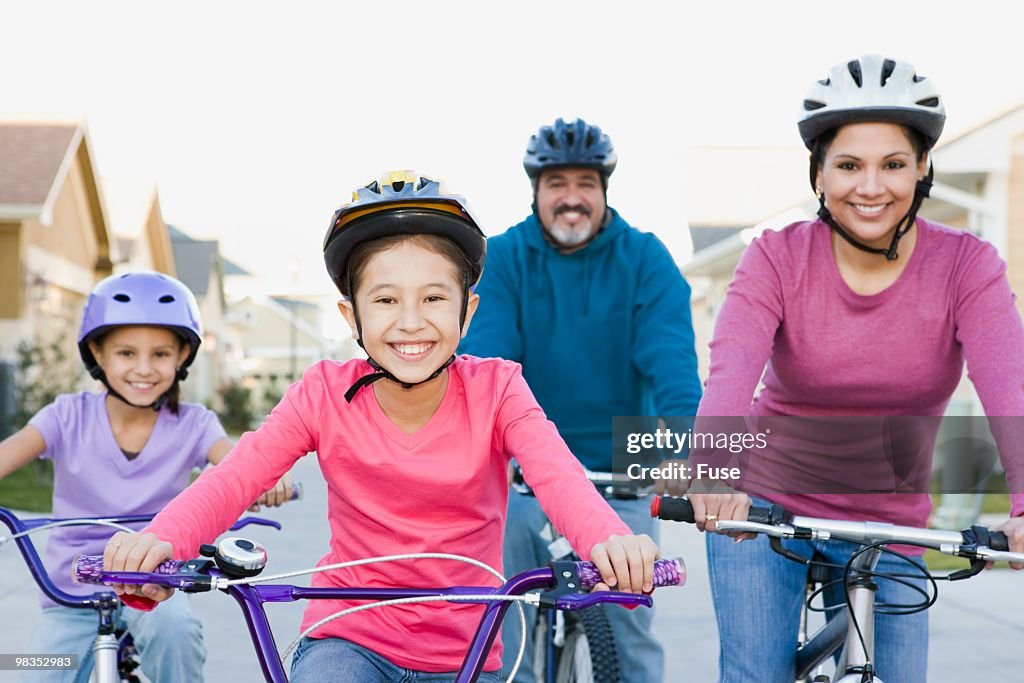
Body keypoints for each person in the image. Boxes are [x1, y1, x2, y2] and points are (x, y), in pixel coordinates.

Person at [102, 171, 660, 683]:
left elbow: (558, 477)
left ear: (467, 313)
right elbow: (237, 477)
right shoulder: (322, 392)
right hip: (350, 636)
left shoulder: (499, 389)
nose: (411, 321)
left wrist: (608, 541)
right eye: (386, 299)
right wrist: (162, 540)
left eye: (435, 298)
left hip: (469, 649)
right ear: (352, 317)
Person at [688, 55, 1024, 683]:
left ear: (922, 169)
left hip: (888, 521)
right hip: (764, 508)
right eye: (848, 165)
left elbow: (1011, 385)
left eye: (893, 164)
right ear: (819, 174)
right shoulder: (774, 259)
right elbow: (731, 374)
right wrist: (713, 471)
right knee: (755, 673)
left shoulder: (967, 267)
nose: (871, 187)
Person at [459, 118, 702, 683]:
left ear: (604, 190)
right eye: (557, 183)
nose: (572, 197)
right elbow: (491, 364)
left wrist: (691, 447)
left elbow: (671, 362)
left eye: (585, 183)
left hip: (623, 464)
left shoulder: (645, 259)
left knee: (628, 618)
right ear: (536, 191)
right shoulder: (501, 258)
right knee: (505, 613)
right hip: (523, 465)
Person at [0, 271, 292, 683]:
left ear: (182, 357)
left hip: (155, 584)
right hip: (71, 593)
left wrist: (266, 480)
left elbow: (238, 465)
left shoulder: (194, 424)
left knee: (178, 633)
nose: (144, 368)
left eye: (160, 354)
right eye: (125, 353)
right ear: (97, 355)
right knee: (33, 670)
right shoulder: (65, 416)